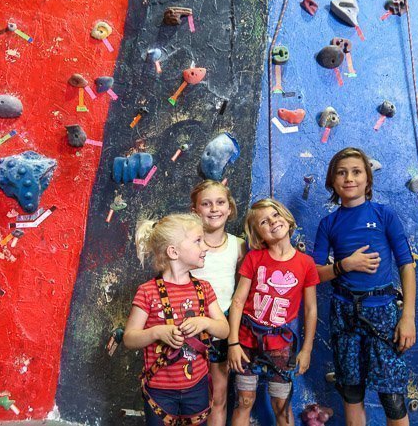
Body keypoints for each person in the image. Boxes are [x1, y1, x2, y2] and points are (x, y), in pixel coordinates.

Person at [313, 147, 416, 426]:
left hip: (382, 314)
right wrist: (345, 265)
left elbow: (406, 264)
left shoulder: (384, 215)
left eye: (356, 172)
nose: (349, 178)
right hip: (344, 314)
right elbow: (314, 275)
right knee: (351, 392)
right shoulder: (328, 223)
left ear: (367, 180)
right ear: (332, 181)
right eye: (342, 173)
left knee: (392, 397)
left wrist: (407, 317)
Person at [124, 213, 230, 426]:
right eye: (198, 241)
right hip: (160, 391)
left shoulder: (204, 289)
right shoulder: (147, 292)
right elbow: (129, 338)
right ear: (173, 252)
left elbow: (224, 329)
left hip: (197, 387)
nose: (205, 247)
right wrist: (156, 332)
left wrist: (205, 322)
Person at [228, 199, 319, 426]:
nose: (273, 222)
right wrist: (233, 343)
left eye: (276, 216)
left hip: (281, 346)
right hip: (247, 342)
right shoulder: (254, 258)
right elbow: (238, 301)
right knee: (244, 401)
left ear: (287, 218)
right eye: (264, 222)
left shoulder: (306, 263)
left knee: (281, 405)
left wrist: (306, 349)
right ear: (258, 235)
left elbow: (310, 309)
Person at [190, 180, 246, 426]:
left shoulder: (238, 245)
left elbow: (239, 295)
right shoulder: (189, 244)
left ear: (230, 208)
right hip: (188, 329)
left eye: (220, 202)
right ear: (195, 210)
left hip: (221, 330)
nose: (214, 209)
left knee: (218, 396)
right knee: (188, 396)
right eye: (206, 203)